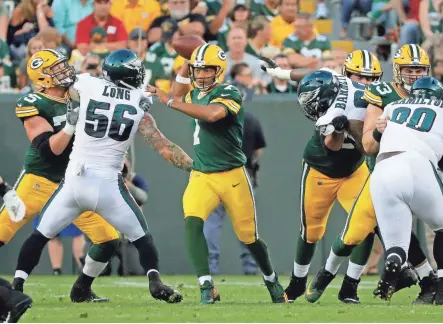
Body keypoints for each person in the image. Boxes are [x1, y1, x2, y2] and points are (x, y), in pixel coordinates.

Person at [12, 49, 192, 304]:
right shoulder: (140, 102)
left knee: (40, 235)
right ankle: (155, 280)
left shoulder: (88, 84)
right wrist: (195, 168)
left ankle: (17, 287)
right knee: (142, 238)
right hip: (107, 185)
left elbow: (68, 88)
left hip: (74, 181)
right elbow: (164, 147)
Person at [261, 46, 433, 303]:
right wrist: (282, 74)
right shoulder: (337, 89)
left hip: (355, 169)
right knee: (311, 232)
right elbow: (316, 78)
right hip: (321, 167)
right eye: (358, 77)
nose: (364, 83)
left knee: (365, 227)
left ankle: (351, 285)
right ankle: (298, 281)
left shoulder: (382, 96)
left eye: (370, 78)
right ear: (346, 75)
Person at [147, 43, 287, 304]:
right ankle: (206, 286)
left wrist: (168, 100)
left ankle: (271, 280)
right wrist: (185, 62)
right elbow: (177, 94)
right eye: (196, 70)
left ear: (219, 70)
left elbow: (212, 114)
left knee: (249, 237)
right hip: (202, 174)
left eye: (205, 70)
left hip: (233, 175)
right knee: (192, 221)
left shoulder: (229, 91)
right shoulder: (194, 92)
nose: (200, 76)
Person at [2, 49, 120, 303]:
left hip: (73, 184)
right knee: (2, 231)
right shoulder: (34, 102)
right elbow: (49, 151)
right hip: (39, 180)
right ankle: (16, 288)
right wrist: (70, 124)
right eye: (55, 69)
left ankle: (82, 289)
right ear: (42, 78)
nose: (64, 71)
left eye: (62, 65)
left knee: (109, 239)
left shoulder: (79, 92)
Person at [371, 77, 443, 304]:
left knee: (397, 245)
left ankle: (396, 261)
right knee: (441, 226)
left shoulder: (393, 106)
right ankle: (441, 287)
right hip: (418, 163)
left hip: (382, 168)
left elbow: (375, 138)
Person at [204, 110, 266, 275]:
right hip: (241, 175)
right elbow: (259, 150)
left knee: (212, 223)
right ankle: (251, 268)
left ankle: (210, 269)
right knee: (246, 224)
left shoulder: (213, 116)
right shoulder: (250, 118)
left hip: (216, 172)